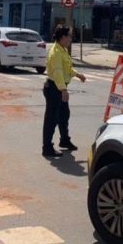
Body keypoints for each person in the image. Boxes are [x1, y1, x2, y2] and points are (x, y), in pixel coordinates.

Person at [42, 25, 86, 158]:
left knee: (64, 115)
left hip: (59, 87)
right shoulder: (56, 52)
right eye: (69, 36)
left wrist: (78, 75)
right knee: (52, 119)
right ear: (62, 37)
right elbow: (58, 73)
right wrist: (63, 90)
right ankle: (47, 147)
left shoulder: (62, 50)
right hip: (55, 88)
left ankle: (64, 140)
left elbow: (67, 69)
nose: (71, 39)